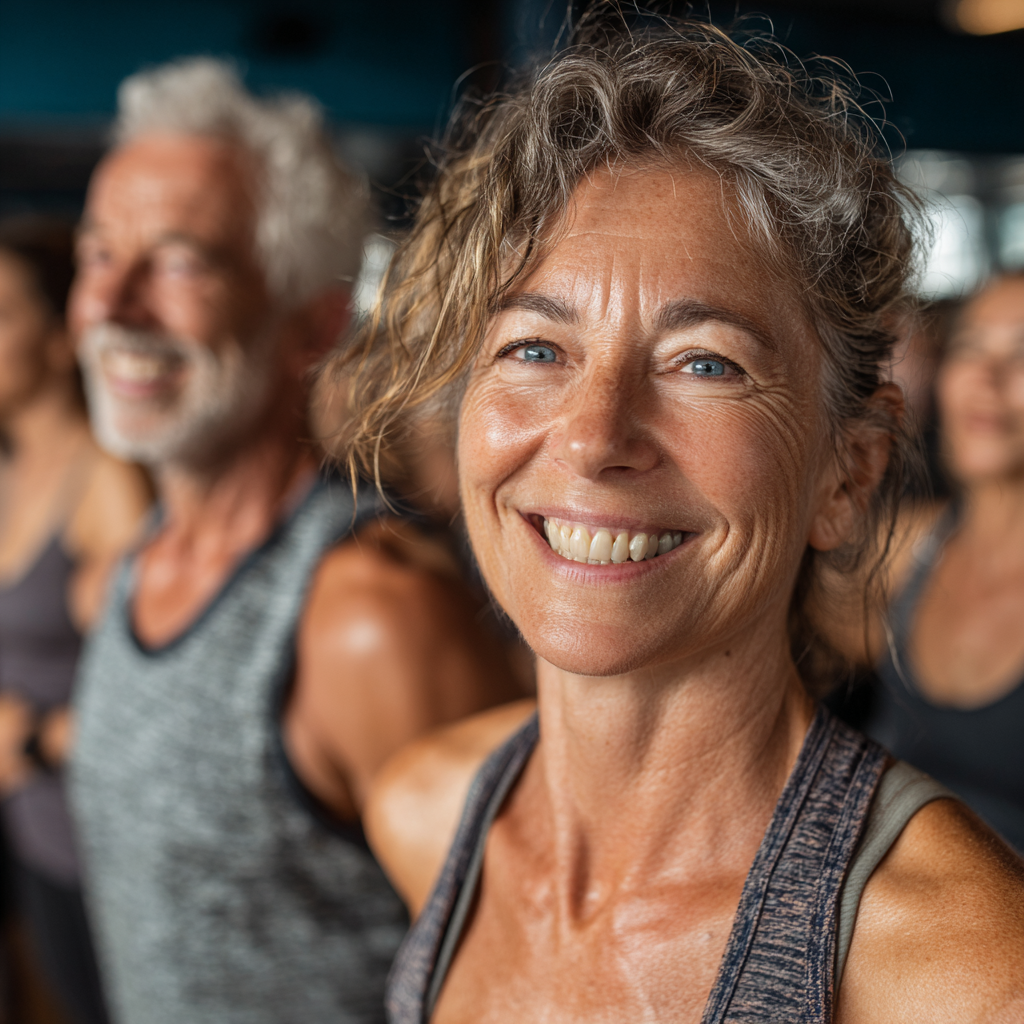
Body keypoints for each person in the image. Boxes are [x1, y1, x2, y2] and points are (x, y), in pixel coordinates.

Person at [328, 16, 1024, 1023]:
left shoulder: (956, 970)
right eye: (535, 347)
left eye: (705, 362)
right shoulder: (427, 815)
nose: (593, 436)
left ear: (846, 471)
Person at [66, 59, 522, 1024]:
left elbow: (519, 977)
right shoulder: (126, 575)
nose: (112, 305)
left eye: (183, 260)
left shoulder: (366, 616)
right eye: (100, 254)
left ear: (311, 321)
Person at [0, 217, 151, 1024]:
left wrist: (28, 739)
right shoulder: (9, 465)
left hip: (84, 838)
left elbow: (155, 698)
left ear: (61, 339)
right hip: (23, 821)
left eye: (1, 316)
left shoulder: (107, 481)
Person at [847, 272, 1024, 854]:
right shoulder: (907, 549)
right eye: (970, 346)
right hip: (880, 922)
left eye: (1022, 354)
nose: (986, 379)